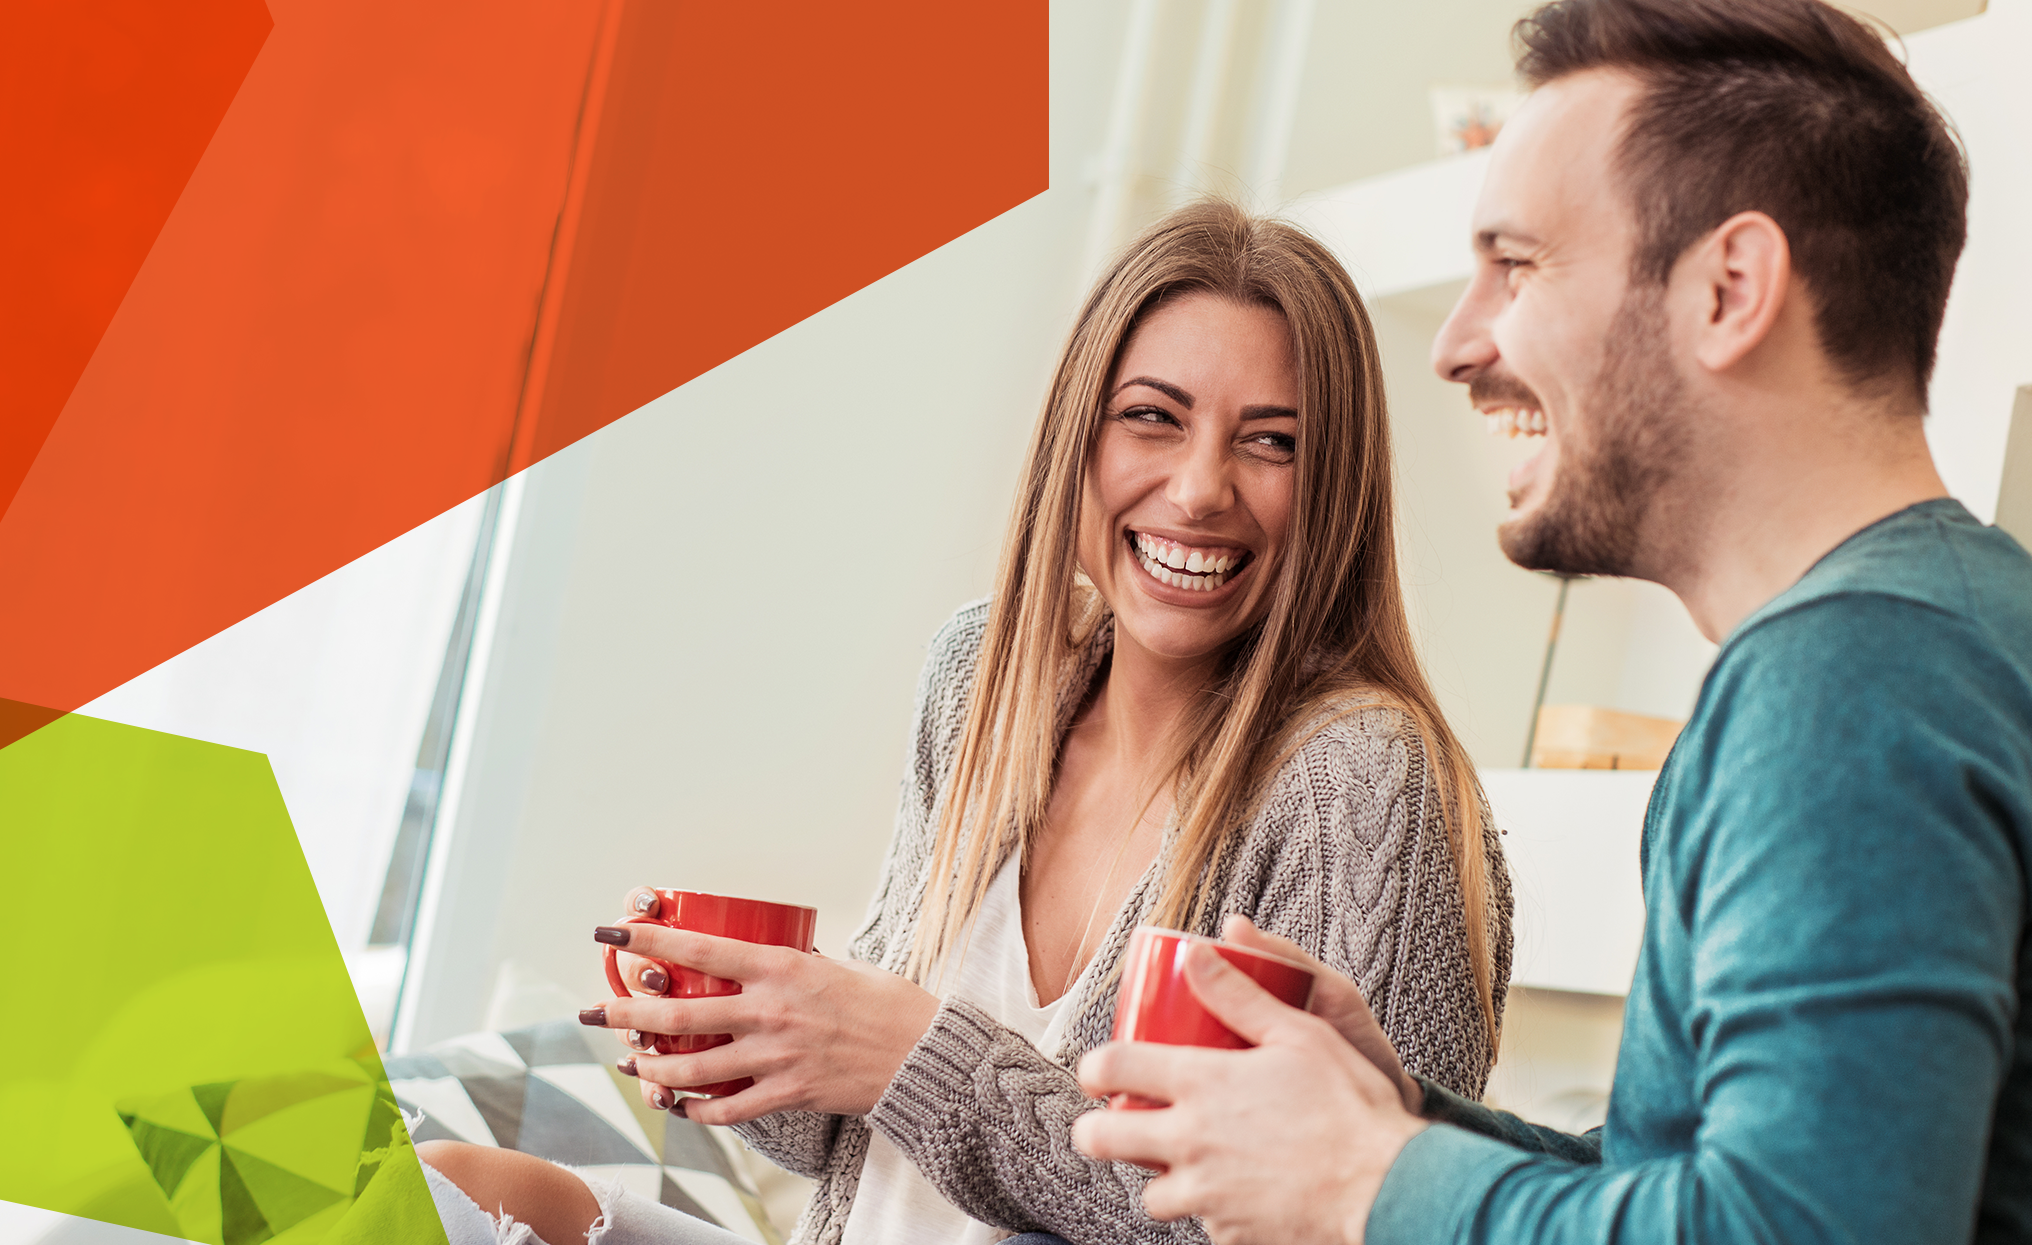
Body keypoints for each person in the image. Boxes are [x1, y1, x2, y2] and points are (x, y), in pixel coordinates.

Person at [1069, 2, 2032, 1243]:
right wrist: (1397, 1121)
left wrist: (1371, 1183)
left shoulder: (1857, 687)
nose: (1457, 344)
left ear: (1730, 290)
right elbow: (1713, 1186)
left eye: (1517, 265)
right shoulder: (1921, 641)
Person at [418, 201, 1513, 1245]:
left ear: (1335, 489)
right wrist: (753, 1044)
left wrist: (912, 1054)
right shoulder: (985, 676)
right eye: (1152, 418)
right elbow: (865, 1139)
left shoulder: (1359, 780)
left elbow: (1332, 1218)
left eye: (1271, 443)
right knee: (451, 1187)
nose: (1197, 489)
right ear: (1076, 438)